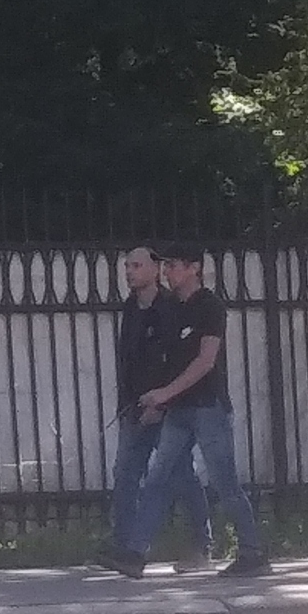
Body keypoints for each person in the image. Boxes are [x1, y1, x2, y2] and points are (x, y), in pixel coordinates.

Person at [107, 247, 271, 579]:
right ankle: (134, 554)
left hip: (208, 408)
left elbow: (205, 361)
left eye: (173, 265)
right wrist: (161, 402)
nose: (167, 271)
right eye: (165, 265)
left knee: (225, 482)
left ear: (194, 268)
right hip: (179, 411)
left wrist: (164, 394)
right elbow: (167, 361)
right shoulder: (172, 308)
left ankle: (252, 552)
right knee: (156, 478)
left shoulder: (209, 307)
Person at [109, 243, 214, 570]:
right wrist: (128, 403)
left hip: (164, 408)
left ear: (155, 270)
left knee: (181, 476)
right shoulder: (130, 308)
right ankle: (124, 546)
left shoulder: (171, 308)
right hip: (134, 407)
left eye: (137, 266)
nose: (130, 272)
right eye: (127, 266)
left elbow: (173, 361)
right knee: (126, 473)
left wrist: (163, 400)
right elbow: (128, 359)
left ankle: (202, 543)